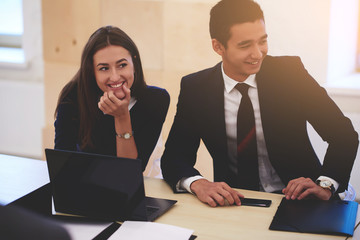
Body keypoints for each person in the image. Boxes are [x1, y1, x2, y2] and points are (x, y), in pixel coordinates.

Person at [161, 0, 359, 207]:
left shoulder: (290, 74)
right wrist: (198, 183)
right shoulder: (197, 88)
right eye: (245, 45)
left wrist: (326, 184)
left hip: (303, 201)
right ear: (218, 46)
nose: (258, 53)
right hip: (238, 203)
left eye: (262, 41)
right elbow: (175, 157)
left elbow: (343, 135)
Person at [55, 26, 170, 171]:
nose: (115, 77)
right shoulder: (73, 95)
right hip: (84, 187)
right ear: (92, 71)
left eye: (122, 65)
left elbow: (128, 173)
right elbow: (61, 164)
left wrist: (122, 117)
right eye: (104, 68)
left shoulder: (156, 100)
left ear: (134, 63)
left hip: (138, 188)